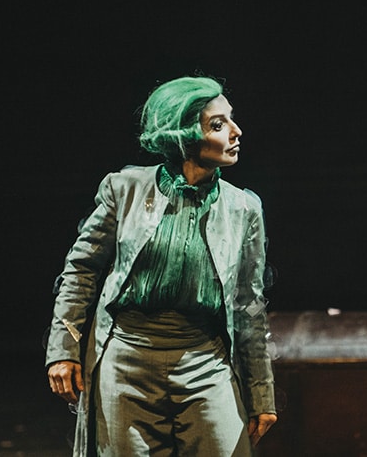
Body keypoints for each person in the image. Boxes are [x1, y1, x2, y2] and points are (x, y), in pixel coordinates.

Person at [46, 76, 277, 456]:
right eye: (218, 125)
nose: (236, 132)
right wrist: (63, 349)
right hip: (127, 361)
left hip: (205, 360)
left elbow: (248, 304)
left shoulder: (243, 208)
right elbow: (81, 270)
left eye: (231, 120)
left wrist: (261, 393)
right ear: (183, 135)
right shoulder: (124, 189)